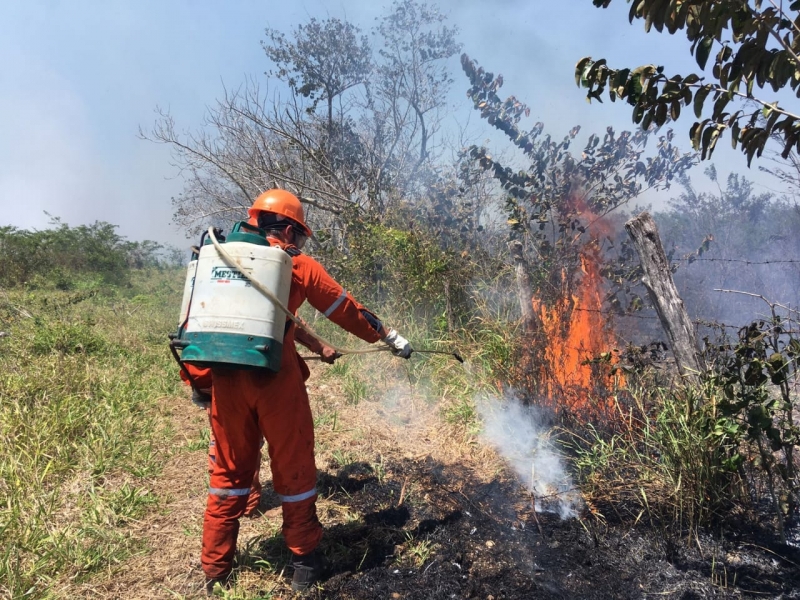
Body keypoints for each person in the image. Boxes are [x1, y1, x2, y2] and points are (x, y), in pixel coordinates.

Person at [188, 189, 413, 594]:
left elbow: (202, 322)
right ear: (290, 229)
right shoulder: (296, 265)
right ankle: (304, 563)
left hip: (225, 380)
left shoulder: (216, 258)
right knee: (293, 469)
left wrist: (200, 383)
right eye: (301, 236)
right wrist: (389, 337)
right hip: (276, 383)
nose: (301, 243)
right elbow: (346, 309)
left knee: (227, 475)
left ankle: (215, 570)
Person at [186, 326, 338, 519]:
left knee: (226, 437)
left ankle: (231, 503)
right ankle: (242, 504)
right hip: (240, 368)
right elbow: (289, 319)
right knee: (239, 438)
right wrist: (320, 347)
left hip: (205, 365)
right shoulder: (260, 295)